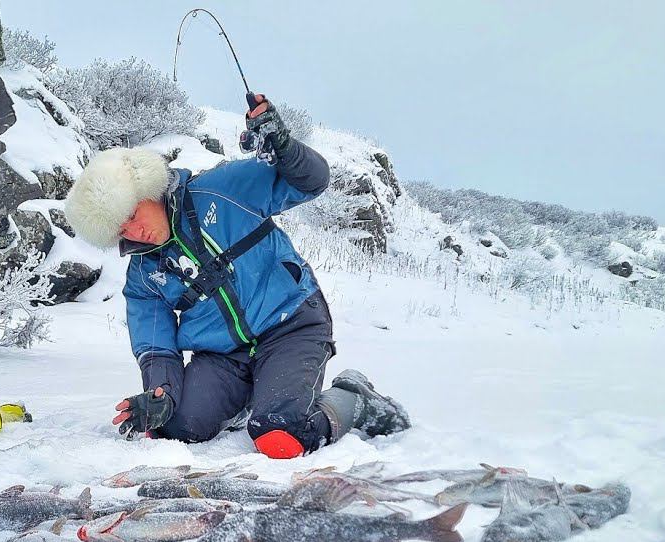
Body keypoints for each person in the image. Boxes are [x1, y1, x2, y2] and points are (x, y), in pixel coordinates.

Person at [63, 95, 410, 458]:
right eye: (122, 229)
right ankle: (250, 398)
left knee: (280, 436)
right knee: (174, 427)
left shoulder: (221, 190)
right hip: (224, 356)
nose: (135, 231)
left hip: (289, 325)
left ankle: (355, 400)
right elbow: (156, 346)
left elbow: (312, 182)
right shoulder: (144, 277)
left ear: (149, 191)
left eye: (133, 213)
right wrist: (160, 396)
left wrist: (284, 147)